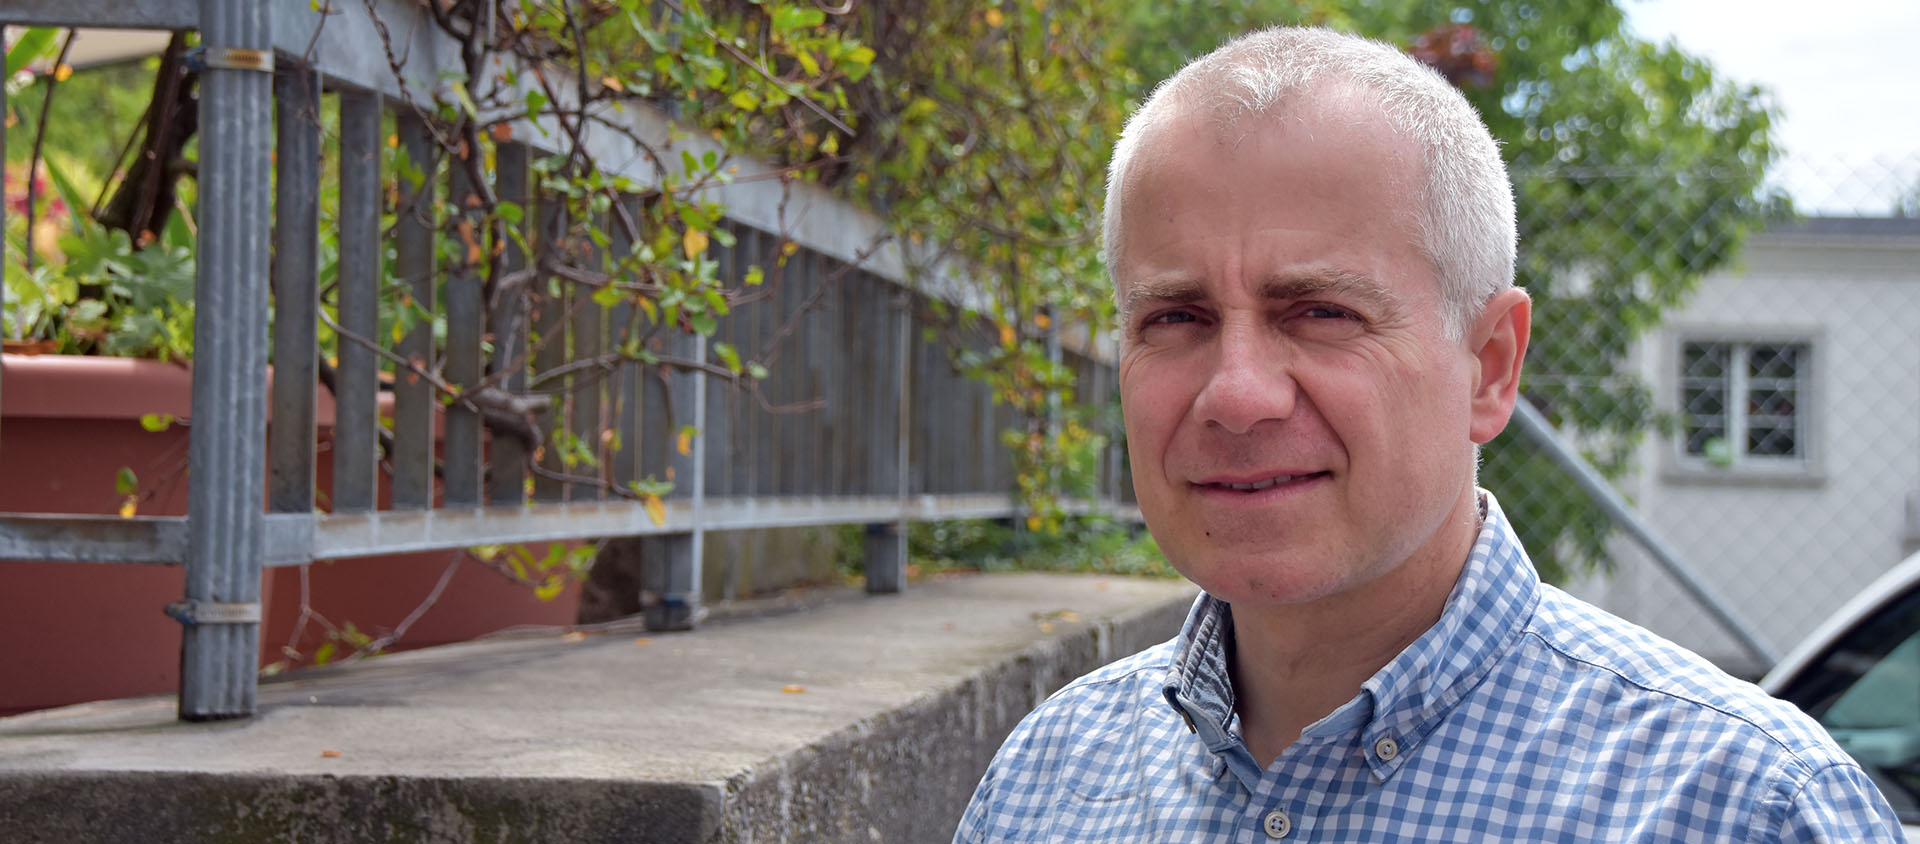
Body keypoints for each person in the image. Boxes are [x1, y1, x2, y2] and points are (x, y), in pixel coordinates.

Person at [955, 26, 1900, 842]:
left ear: (1490, 365)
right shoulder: (1046, 785)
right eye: (1175, 318)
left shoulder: (1744, 812)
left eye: (1320, 312)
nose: (1236, 396)